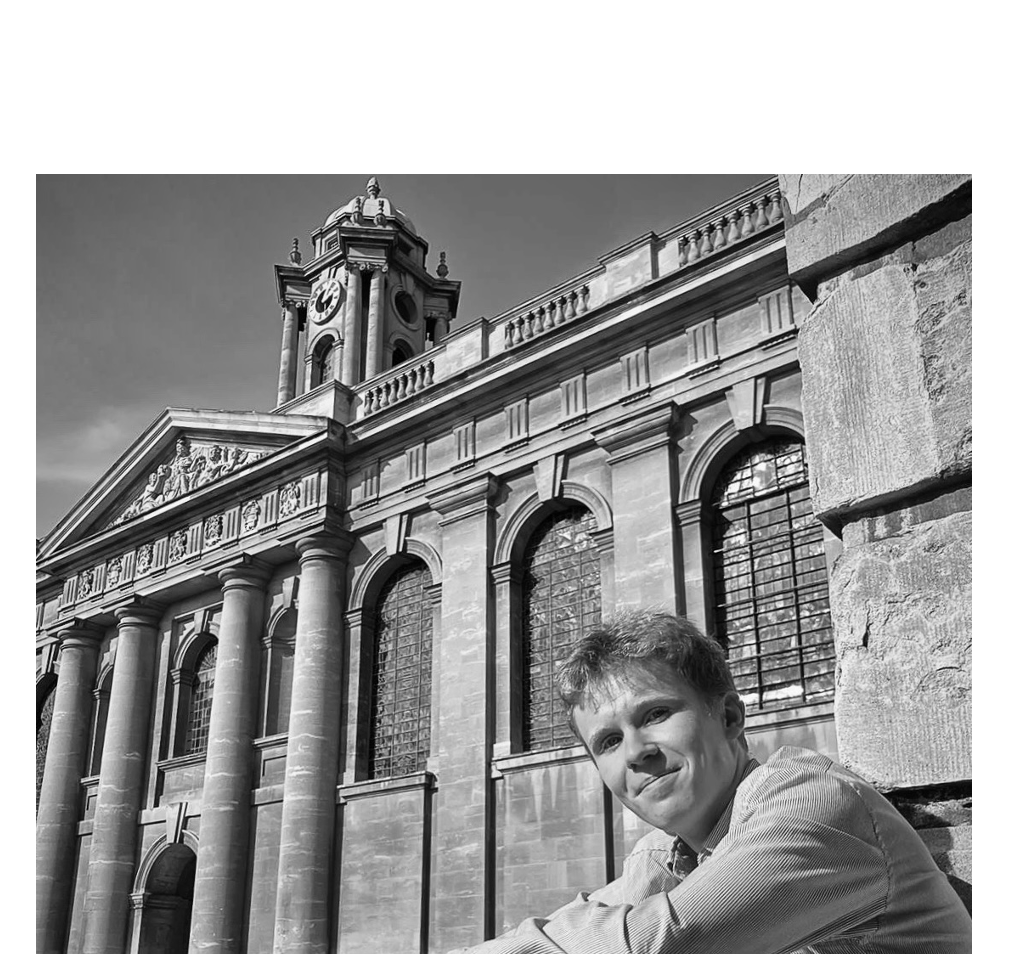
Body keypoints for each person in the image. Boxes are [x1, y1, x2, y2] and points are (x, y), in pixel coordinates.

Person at [449, 610, 970, 953]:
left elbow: (654, 944)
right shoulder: (669, 855)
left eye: (655, 714)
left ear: (729, 718)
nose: (636, 753)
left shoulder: (811, 804)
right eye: (608, 741)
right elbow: (584, 918)